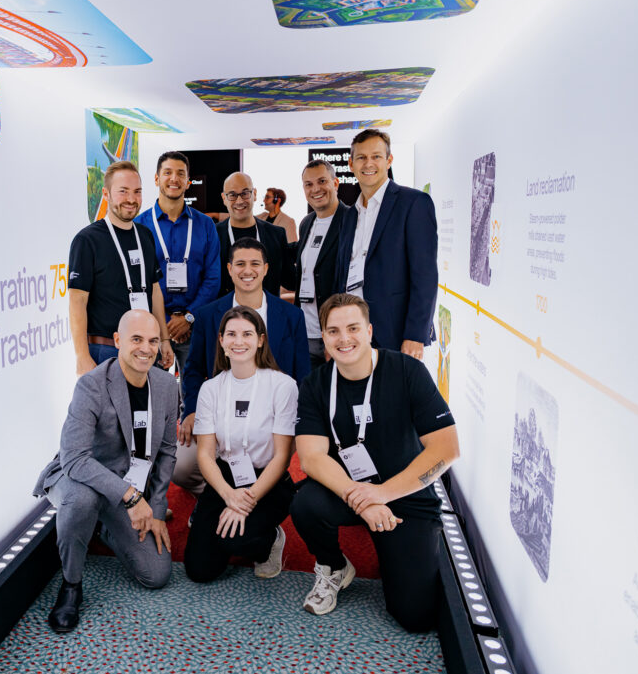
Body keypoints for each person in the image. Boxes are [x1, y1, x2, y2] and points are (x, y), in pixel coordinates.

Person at [290, 293, 460, 632]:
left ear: (369, 331)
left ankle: (394, 548)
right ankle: (334, 565)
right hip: (348, 490)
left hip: (406, 493)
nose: (344, 338)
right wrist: (361, 498)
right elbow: (311, 458)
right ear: (323, 336)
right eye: (333, 331)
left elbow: (446, 449)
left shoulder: (407, 371)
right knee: (305, 503)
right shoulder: (315, 385)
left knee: (416, 616)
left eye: (353, 328)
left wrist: (382, 494)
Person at [32, 309, 181, 633]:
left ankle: (104, 527)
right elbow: (74, 458)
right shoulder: (91, 386)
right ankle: (71, 586)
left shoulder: (167, 386)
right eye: (136, 339)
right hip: (82, 477)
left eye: (153, 341)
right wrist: (130, 497)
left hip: (128, 486)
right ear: (117, 341)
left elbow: (168, 451)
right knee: (82, 501)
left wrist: (155, 508)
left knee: (156, 575)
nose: (146, 348)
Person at [176, 238, 309, 494]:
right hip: (221, 417)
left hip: (273, 418)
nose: (247, 271)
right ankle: (213, 494)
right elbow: (192, 370)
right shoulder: (206, 315)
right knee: (181, 467)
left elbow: (302, 373)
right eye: (240, 264)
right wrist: (191, 411)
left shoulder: (292, 315)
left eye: (255, 264)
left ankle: (266, 497)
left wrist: (301, 422)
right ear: (229, 269)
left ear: (267, 269)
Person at [184, 306, 298, 582]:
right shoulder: (211, 389)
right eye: (231, 334)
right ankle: (225, 526)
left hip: (267, 481)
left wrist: (245, 502)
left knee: (237, 541)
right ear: (221, 340)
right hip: (226, 477)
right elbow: (206, 455)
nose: (239, 341)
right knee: (199, 570)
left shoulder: (283, 385)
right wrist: (227, 495)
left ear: (260, 340)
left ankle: (270, 538)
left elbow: (282, 457)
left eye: (247, 334)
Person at [335, 129, 438, 359]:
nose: (368, 163)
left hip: (396, 335)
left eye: (376, 156)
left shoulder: (413, 204)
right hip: (352, 333)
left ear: (389, 160)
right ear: (351, 164)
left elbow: (425, 275)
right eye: (361, 157)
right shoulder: (349, 215)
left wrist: (415, 335)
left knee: (394, 395)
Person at [68, 160, 175, 375]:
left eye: (137, 192)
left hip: (145, 351)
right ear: (106, 194)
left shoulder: (144, 235)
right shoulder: (87, 240)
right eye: (123, 191)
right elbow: (77, 300)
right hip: (106, 351)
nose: (131, 199)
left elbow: (154, 291)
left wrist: (163, 340)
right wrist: (82, 356)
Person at [134, 151, 220, 388]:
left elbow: (213, 279)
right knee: (149, 396)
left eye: (180, 173)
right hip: (150, 328)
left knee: (195, 398)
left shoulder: (205, 225)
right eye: (168, 173)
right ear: (156, 179)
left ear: (188, 181)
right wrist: (165, 325)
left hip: (193, 327)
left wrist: (188, 318)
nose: (174, 179)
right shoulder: (139, 226)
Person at [294, 160, 350, 370]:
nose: (315, 189)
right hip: (306, 334)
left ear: (335, 183)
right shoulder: (306, 223)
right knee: (310, 397)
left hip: (336, 335)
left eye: (322, 181)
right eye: (308, 184)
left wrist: (335, 334)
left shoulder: (352, 221)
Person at [215, 172, 294, 298]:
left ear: (255, 194)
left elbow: (290, 280)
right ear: (224, 198)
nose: (239, 201)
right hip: (225, 315)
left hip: (266, 315)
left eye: (245, 193)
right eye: (232, 195)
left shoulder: (276, 235)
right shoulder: (212, 236)